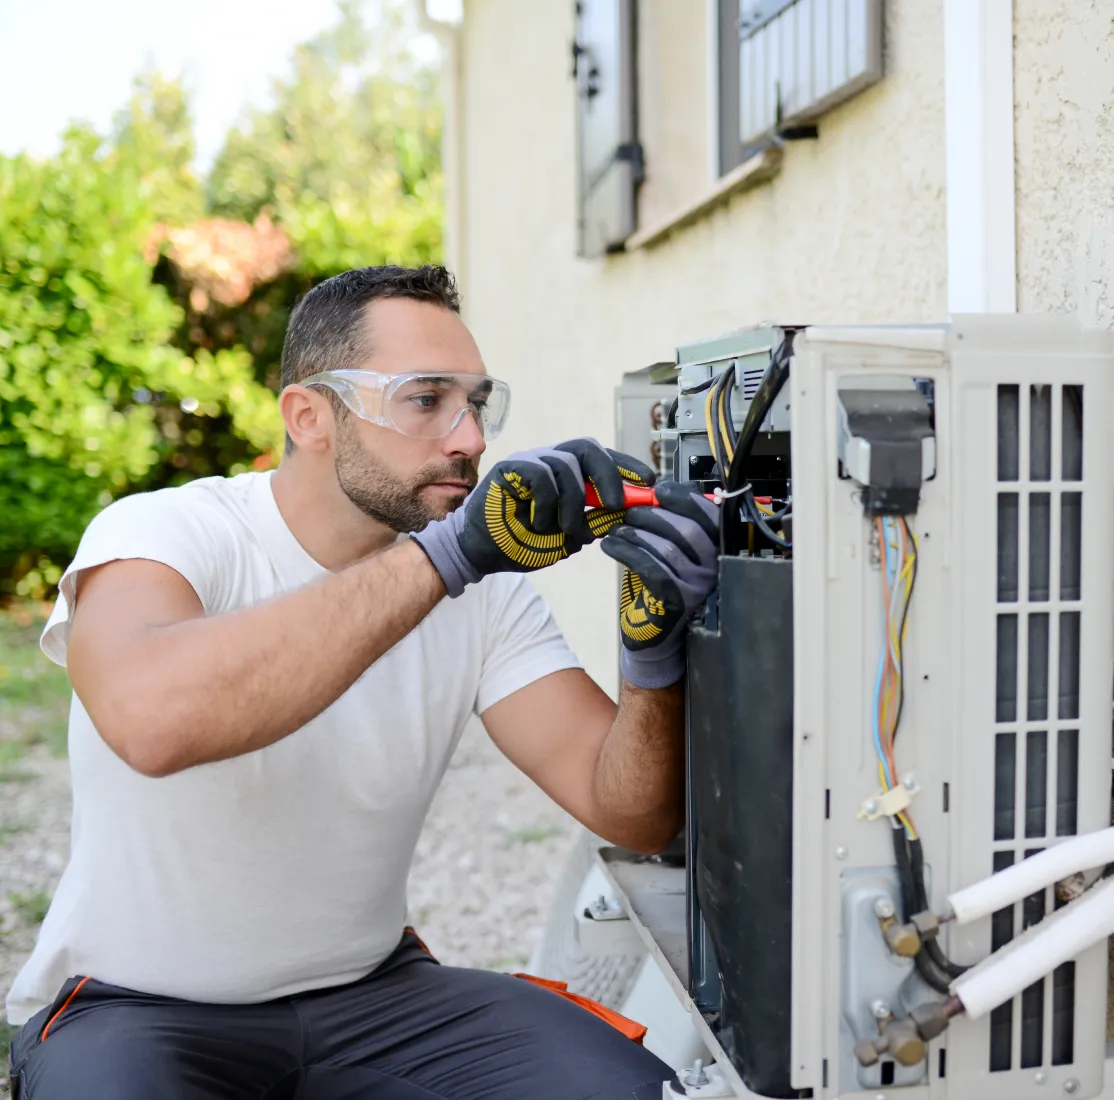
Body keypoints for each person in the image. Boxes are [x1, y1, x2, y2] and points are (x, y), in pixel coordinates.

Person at [5, 265, 720, 1100]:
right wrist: (447, 559)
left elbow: (631, 809)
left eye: (477, 403)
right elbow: (152, 721)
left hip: (379, 998)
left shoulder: (482, 590)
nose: (468, 439)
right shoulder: (166, 532)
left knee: (627, 1092)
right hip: (133, 1011)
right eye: (425, 400)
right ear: (310, 415)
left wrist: (651, 656)